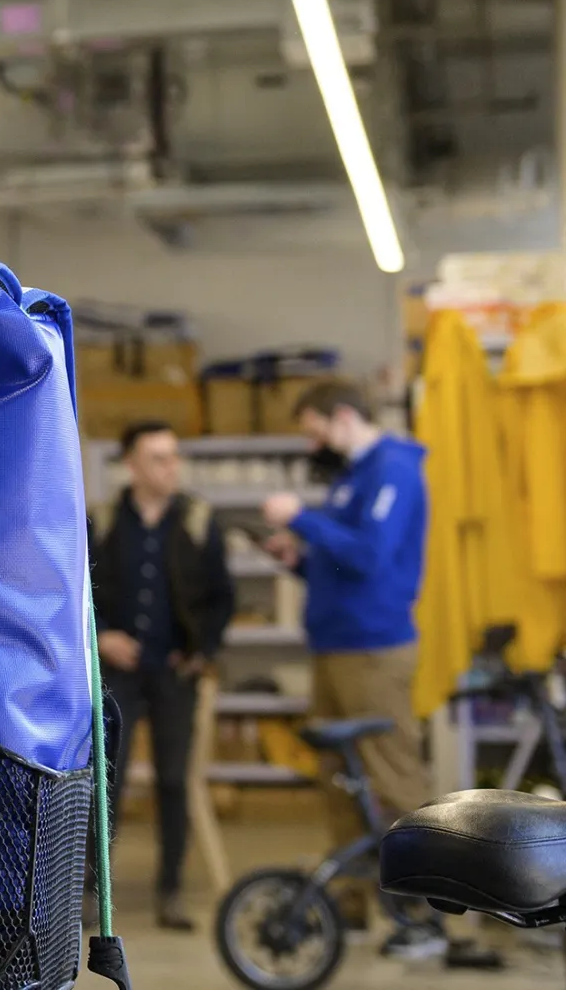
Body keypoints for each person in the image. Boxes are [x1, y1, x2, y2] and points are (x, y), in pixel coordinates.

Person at [260, 381, 439, 958]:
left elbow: (369, 557)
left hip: (373, 649)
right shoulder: (351, 478)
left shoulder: (393, 470)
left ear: (342, 417)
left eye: (314, 430)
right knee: (340, 779)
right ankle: (359, 904)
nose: (313, 443)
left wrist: (301, 519)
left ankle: (431, 915)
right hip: (335, 648)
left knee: (394, 778)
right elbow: (343, 567)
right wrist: (301, 560)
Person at [90, 420, 233, 931]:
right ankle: (92, 891)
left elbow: (221, 597)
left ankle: (170, 890)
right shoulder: (101, 520)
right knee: (106, 779)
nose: (171, 467)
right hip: (117, 675)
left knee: (174, 781)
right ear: (130, 464)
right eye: (158, 458)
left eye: (174, 456)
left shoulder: (197, 520)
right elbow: (75, 590)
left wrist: (202, 653)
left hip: (176, 673)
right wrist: (101, 635)